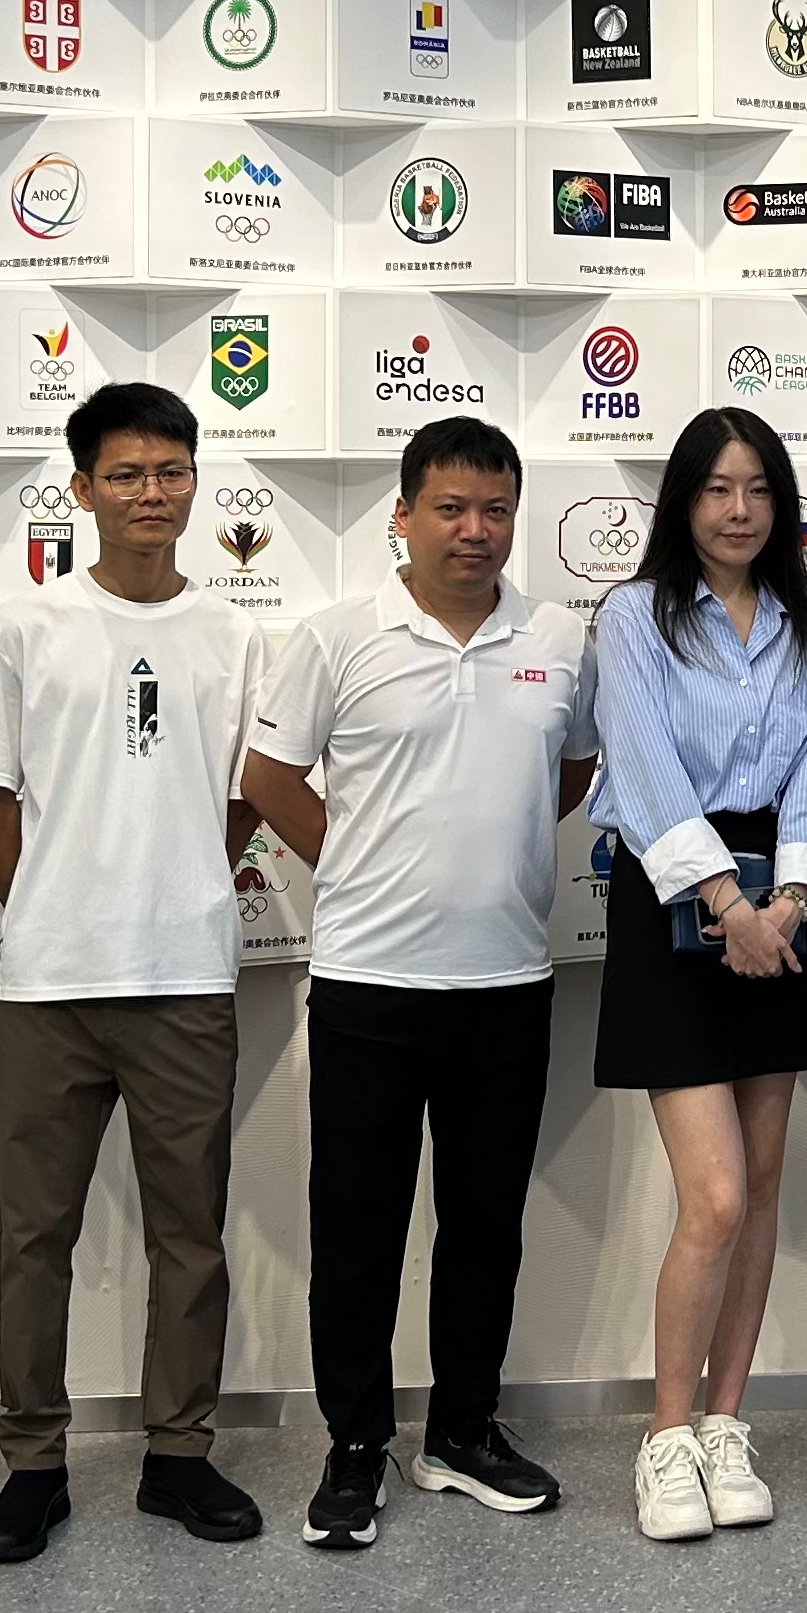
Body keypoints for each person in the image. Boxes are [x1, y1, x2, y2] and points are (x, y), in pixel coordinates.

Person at [243, 417, 598, 1551]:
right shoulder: (338, 635)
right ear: (402, 516)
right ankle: (356, 1445)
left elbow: (573, 769)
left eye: (496, 510)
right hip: (369, 985)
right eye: (450, 508)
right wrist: (356, 859)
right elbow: (269, 776)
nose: (474, 530)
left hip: (508, 984)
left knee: (485, 1230)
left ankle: (462, 1432)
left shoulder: (559, 637)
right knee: (357, 1232)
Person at [0, 383, 271, 1563]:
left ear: (195, 484)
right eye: (128, 475)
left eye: (172, 472)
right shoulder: (26, 626)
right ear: (83, 489)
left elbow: (246, 795)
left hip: (185, 975)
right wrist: (52, 903)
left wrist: (180, 879)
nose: (152, 493)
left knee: (189, 1233)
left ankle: (178, 1454)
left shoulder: (234, 635)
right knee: (31, 1236)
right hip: (50, 983)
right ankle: (32, 1464)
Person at [586, 407, 807, 1543]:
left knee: (762, 1188)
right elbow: (644, 765)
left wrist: (790, 902)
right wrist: (726, 905)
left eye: (757, 490)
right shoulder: (634, 615)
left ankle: (726, 1424)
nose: (739, 511)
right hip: (677, 898)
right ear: (683, 502)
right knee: (716, 1197)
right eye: (716, 489)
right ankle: (665, 1438)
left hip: (780, 907)